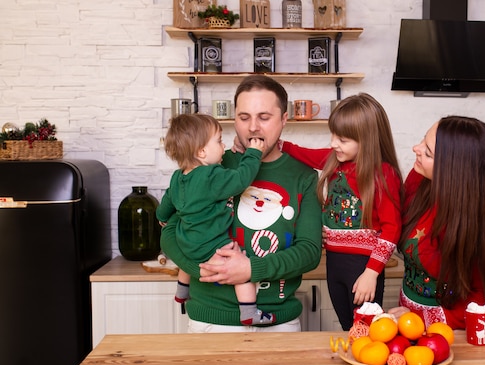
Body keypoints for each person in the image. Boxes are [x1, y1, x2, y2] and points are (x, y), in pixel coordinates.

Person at [160, 74, 322, 332]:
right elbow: (170, 231)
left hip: (279, 323)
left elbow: (309, 253)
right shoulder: (214, 166)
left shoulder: (304, 176)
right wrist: (210, 269)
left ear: (283, 120)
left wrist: (250, 269)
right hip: (210, 322)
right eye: (244, 117)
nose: (253, 128)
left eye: (264, 118)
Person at [275, 93, 403, 330]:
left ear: (367, 140)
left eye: (342, 139)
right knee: (347, 328)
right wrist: (278, 144)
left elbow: (392, 227)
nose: (334, 144)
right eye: (333, 135)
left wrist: (371, 273)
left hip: (362, 266)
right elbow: (306, 154)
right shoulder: (336, 161)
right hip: (334, 263)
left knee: (365, 330)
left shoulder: (382, 174)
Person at [157, 113, 276, 325]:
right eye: (219, 141)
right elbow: (241, 178)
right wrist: (253, 153)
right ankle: (249, 312)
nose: (223, 146)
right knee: (241, 266)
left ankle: (181, 292)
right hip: (212, 244)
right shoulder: (211, 175)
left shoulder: (178, 177)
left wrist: (162, 217)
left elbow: (166, 202)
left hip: (186, 241)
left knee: (189, 257)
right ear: (202, 152)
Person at [398, 115, 485, 330]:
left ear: (454, 169)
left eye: (428, 152)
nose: (416, 148)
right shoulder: (418, 181)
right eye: (423, 140)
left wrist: (424, 320)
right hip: (406, 321)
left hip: (450, 334)